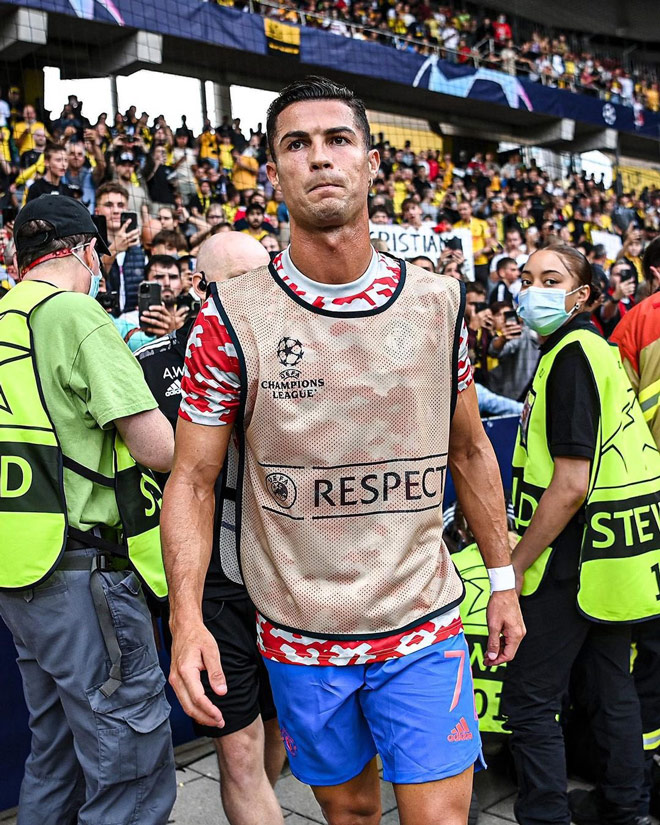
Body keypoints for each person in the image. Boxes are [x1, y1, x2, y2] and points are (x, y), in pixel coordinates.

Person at [162, 76, 524, 825]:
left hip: (422, 620)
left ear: (370, 162)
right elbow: (192, 480)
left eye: (338, 139)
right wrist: (186, 618)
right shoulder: (230, 316)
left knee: (440, 819)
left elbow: (469, 451)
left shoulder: (438, 302)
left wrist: (502, 580)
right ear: (274, 172)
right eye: (297, 144)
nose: (320, 157)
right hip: (300, 634)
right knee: (350, 813)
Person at [0, 194, 176, 825]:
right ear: (85, 251)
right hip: (86, 574)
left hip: (21, 570)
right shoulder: (75, 313)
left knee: (56, 755)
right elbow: (158, 449)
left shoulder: (6, 314)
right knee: (128, 760)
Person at [502, 243, 660, 825]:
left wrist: (517, 563)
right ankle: (627, 809)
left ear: (583, 295)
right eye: (527, 277)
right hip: (607, 559)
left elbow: (569, 484)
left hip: (567, 558)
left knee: (529, 698)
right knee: (610, 685)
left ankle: (546, 815)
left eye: (551, 279)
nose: (532, 289)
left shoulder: (571, 356)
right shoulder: (592, 349)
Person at [136, 232, 287, 825]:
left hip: (286, 580)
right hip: (212, 588)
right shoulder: (150, 369)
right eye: (240, 283)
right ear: (200, 288)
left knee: (276, 729)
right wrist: (180, 608)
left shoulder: (292, 354)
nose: (260, 295)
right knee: (239, 750)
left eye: (265, 279)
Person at [95, 181, 145, 313]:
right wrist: (114, 249)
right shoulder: (90, 248)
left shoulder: (140, 251)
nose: (116, 210)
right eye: (108, 205)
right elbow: (92, 276)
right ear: (97, 211)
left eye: (121, 205)